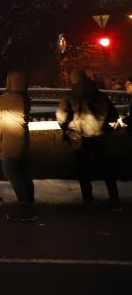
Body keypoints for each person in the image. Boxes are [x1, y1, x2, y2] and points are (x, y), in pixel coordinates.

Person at [56, 68, 121, 210]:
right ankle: (114, 198)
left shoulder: (70, 96)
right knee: (106, 169)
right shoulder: (100, 95)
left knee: (83, 170)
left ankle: (88, 199)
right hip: (99, 136)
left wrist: (68, 128)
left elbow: (61, 116)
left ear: (74, 79)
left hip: (80, 138)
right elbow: (113, 116)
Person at [0, 72, 35, 221]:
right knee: (23, 176)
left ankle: (26, 210)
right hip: (18, 144)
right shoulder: (21, 97)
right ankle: (29, 206)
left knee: (15, 177)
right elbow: (2, 102)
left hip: (11, 145)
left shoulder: (13, 97)